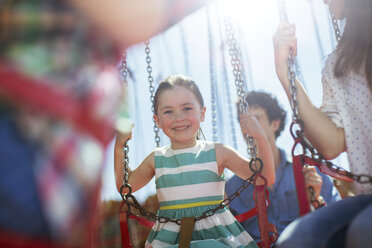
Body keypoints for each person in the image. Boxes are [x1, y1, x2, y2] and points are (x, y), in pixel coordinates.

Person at [114, 74, 275, 247]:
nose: (179, 117)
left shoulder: (218, 152)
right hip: (170, 239)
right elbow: (126, 187)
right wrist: (119, 148)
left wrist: (260, 137)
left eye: (187, 108)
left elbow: (264, 177)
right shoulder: (157, 158)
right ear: (157, 120)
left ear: (202, 113)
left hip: (217, 236)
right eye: (168, 111)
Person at [272, 0, 372, 247]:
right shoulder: (339, 64)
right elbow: (331, 145)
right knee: (297, 240)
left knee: (364, 230)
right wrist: (285, 73)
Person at [225, 91, 341, 243]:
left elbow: (337, 220)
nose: (249, 127)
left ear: (275, 124)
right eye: (244, 121)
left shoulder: (308, 172)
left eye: (256, 118)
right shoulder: (232, 187)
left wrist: (315, 199)